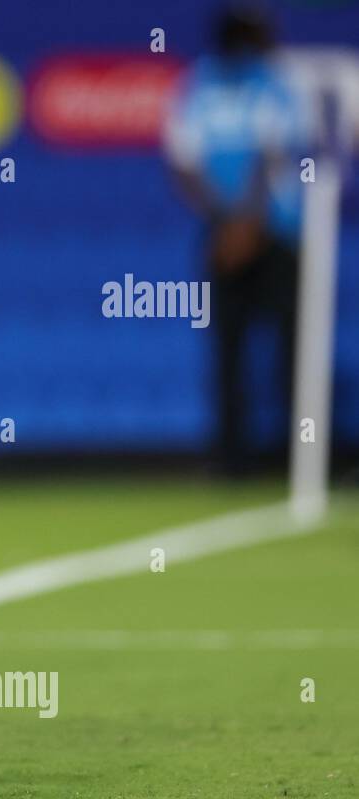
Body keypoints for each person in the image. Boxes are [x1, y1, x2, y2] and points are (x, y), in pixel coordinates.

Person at [164, 5, 309, 474]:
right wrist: (226, 223)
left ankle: (299, 458)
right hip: (223, 234)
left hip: (276, 232)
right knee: (228, 348)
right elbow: (184, 163)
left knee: (293, 348)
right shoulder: (199, 84)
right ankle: (232, 459)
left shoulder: (272, 82)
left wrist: (244, 223)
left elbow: (272, 158)